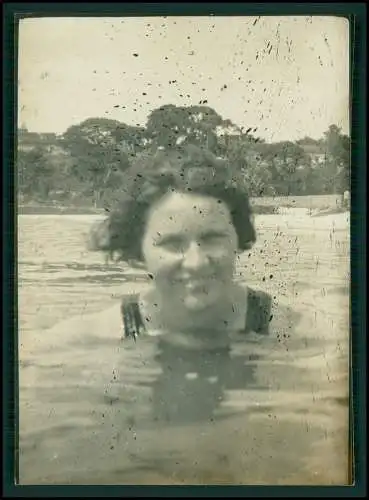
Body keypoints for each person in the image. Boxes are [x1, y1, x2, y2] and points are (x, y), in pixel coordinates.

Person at [19, 145, 348, 485]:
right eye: (172, 243)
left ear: (239, 237)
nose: (196, 262)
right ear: (138, 248)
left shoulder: (309, 336)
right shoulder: (79, 339)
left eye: (212, 238)